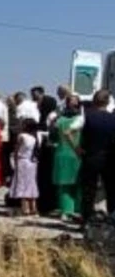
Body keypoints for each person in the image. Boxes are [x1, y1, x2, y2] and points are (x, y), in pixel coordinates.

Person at [78, 89, 115, 224]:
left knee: (89, 190)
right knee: (111, 190)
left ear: (94, 101)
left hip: (91, 156)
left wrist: (78, 148)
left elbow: (73, 132)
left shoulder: (87, 116)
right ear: (108, 101)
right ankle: (112, 218)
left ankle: (87, 219)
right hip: (110, 158)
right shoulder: (113, 118)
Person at [54, 93, 85, 221]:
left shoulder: (58, 121)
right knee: (79, 184)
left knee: (64, 186)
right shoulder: (82, 120)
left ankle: (66, 211)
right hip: (77, 154)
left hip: (61, 153)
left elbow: (52, 139)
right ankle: (78, 210)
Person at [9, 118, 40, 217]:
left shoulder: (21, 136)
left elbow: (16, 150)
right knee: (31, 184)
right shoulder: (34, 138)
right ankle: (33, 208)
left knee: (22, 184)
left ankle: (25, 208)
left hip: (22, 161)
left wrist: (14, 163)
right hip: (32, 162)